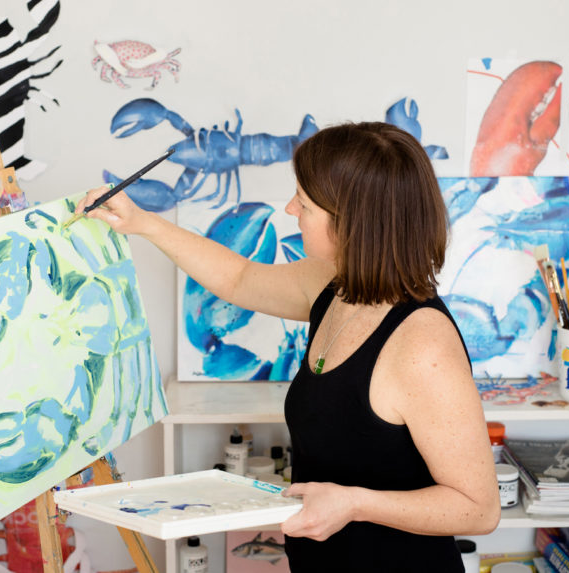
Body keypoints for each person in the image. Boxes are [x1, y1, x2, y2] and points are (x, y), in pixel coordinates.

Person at [77, 122, 500, 571]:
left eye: (305, 202)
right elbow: (239, 280)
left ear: (350, 223)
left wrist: (354, 504)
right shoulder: (336, 286)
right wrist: (142, 223)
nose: (289, 208)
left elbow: (479, 508)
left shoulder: (422, 347)